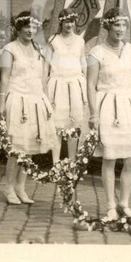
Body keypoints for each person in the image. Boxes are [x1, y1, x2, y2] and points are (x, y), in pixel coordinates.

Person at [87, 8, 131, 220]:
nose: (121, 29)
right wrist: (93, 113)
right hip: (108, 106)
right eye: (117, 25)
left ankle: (124, 202)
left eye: (124, 25)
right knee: (110, 158)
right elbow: (90, 84)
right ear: (108, 27)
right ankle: (111, 205)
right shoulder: (97, 53)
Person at [0, 11, 58, 205]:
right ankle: (9, 187)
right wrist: (2, 102)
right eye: (27, 27)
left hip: (36, 100)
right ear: (18, 29)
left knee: (29, 147)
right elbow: (4, 79)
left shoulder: (40, 50)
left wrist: (47, 100)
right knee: (16, 147)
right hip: (17, 100)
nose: (31, 30)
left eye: (34, 27)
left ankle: (21, 187)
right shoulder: (9, 50)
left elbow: (43, 78)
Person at [47, 9, 88, 163]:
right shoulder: (53, 40)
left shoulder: (80, 41)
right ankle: (55, 162)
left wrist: (86, 82)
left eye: (72, 21)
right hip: (58, 86)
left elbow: (83, 62)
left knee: (74, 124)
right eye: (66, 21)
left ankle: (72, 161)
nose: (69, 24)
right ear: (61, 22)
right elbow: (46, 65)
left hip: (76, 85)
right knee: (57, 125)